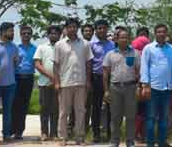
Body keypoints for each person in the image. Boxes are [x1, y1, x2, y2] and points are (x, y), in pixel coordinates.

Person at [54, 17, 93, 146]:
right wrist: (57, 82)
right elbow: (56, 65)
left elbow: (88, 63)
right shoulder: (59, 45)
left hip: (81, 82)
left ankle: (79, 137)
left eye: (75, 26)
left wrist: (88, 81)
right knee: (64, 111)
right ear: (66, 28)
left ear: (78, 28)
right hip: (65, 82)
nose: (72, 29)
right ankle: (63, 138)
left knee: (80, 111)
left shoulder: (85, 44)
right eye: (70, 26)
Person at [140, 24, 172, 147]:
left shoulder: (171, 49)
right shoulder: (148, 48)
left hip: (167, 88)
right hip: (152, 88)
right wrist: (145, 85)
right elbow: (144, 67)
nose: (161, 34)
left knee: (164, 119)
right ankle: (150, 143)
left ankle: (162, 142)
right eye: (159, 32)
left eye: (163, 32)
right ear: (155, 33)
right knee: (151, 118)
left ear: (166, 33)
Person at [103, 27, 140, 147]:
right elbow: (105, 73)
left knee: (131, 116)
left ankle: (130, 141)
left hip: (131, 87)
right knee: (115, 116)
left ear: (130, 39)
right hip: (115, 88)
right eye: (121, 37)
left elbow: (139, 72)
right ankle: (114, 141)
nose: (124, 39)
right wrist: (106, 91)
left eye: (126, 37)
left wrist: (139, 87)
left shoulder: (135, 53)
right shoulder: (110, 54)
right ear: (116, 39)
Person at [34, 25, 61, 141]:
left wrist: (56, 80)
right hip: (44, 83)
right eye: (51, 33)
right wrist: (52, 77)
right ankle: (44, 133)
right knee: (44, 109)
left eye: (56, 33)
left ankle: (54, 133)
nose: (53, 35)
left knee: (56, 109)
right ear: (48, 35)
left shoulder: (63, 48)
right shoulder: (41, 47)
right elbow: (37, 64)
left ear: (59, 35)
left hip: (58, 84)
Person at [11, 25, 37, 140]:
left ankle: (19, 131)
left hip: (29, 78)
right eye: (24, 33)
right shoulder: (15, 47)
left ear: (31, 35)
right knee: (14, 104)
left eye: (28, 33)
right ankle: (10, 129)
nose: (26, 35)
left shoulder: (35, 48)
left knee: (24, 105)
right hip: (16, 78)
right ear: (20, 34)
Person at [90, 19, 114, 143]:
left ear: (107, 29)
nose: (102, 30)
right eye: (99, 28)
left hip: (111, 78)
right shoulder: (92, 45)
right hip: (96, 78)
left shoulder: (112, 45)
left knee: (111, 107)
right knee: (96, 107)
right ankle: (96, 134)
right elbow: (89, 63)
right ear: (96, 30)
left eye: (104, 28)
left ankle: (111, 134)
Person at [131, 30, 152, 143]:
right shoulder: (149, 49)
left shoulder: (133, 51)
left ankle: (138, 135)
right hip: (143, 84)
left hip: (140, 84)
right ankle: (141, 135)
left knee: (139, 111)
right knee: (143, 111)